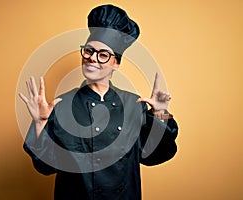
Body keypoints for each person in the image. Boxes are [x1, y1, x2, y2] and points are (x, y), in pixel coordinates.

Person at [19, 4, 178, 200]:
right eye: (88, 51)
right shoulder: (62, 105)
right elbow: (45, 167)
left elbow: (157, 155)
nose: (92, 59)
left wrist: (160, 113)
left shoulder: (134, 105)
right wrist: (40, 123)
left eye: (103, 55)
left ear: (116, 64)